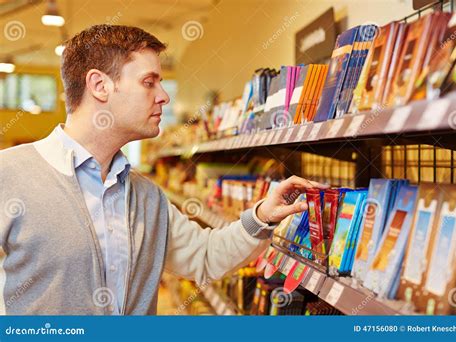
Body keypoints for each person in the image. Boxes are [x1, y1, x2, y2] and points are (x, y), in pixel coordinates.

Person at [0, 25, 326, 315]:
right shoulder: (10, 175)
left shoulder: (146, 196)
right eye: (149, 82)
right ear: (99, 85)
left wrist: (262, 217)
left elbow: (204, 256)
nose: (164, 96)